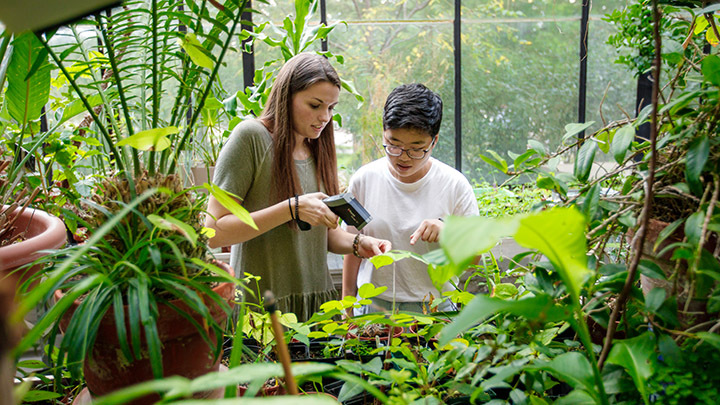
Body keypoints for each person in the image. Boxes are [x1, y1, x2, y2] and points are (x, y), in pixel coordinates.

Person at [205, 52, 391, 321]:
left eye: (331, 108)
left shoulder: (318, 148)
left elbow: (323, 236)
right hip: (261, 309)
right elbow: (212, 232)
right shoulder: (250, 138)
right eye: (315, 105)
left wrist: (359, 243)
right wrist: (291, 209)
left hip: (317, 306)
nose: (324, 117)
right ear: (286, 97)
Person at [342, 83, 479, 315]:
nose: (403, 158)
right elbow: (352, 248)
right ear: (384, 133)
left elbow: (475, 260)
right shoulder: (364, 180)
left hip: (436, 308)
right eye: (393, 145)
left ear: (434, 141)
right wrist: (347, 308)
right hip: (373, 306)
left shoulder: (454, 184)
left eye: (417, 148)